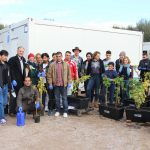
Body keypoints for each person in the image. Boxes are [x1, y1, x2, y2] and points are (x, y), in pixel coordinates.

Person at [47, 51, 72, 118]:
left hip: (64, 84)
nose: (58, 58)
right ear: (55, 57)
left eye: (59, 56)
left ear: (62, 56)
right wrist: (50, 83)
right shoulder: (52, 64)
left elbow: (69, 74)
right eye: (57, 56)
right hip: (56, 85)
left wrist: (69, 82)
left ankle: (65, 111)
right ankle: (58, 111)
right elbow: (49, 75)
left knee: (64, 98)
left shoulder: (66, 64)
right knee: (57, 99)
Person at [8, 46, 26, 116]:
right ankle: (11, 111)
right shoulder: (12, 59)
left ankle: (18, 110)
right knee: (13, 96)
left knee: (20, 97)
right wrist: (12, 80)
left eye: (22, 51)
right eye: (20, 51)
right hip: (14, 82)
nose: (21, 52)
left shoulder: (24, 59)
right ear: (17, 51)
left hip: (22, 82)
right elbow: (10, 70)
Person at [0, 50, 11, 125]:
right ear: (0, 56)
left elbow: (8, 75)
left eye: (6, 56)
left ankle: (1, 115)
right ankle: (2, 118)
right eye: (4, 55)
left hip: (6, 86)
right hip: (0, 86)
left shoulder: (7, 64)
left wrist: (10, 84)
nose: (6, 57)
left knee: (4, 102)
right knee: (0, 102)